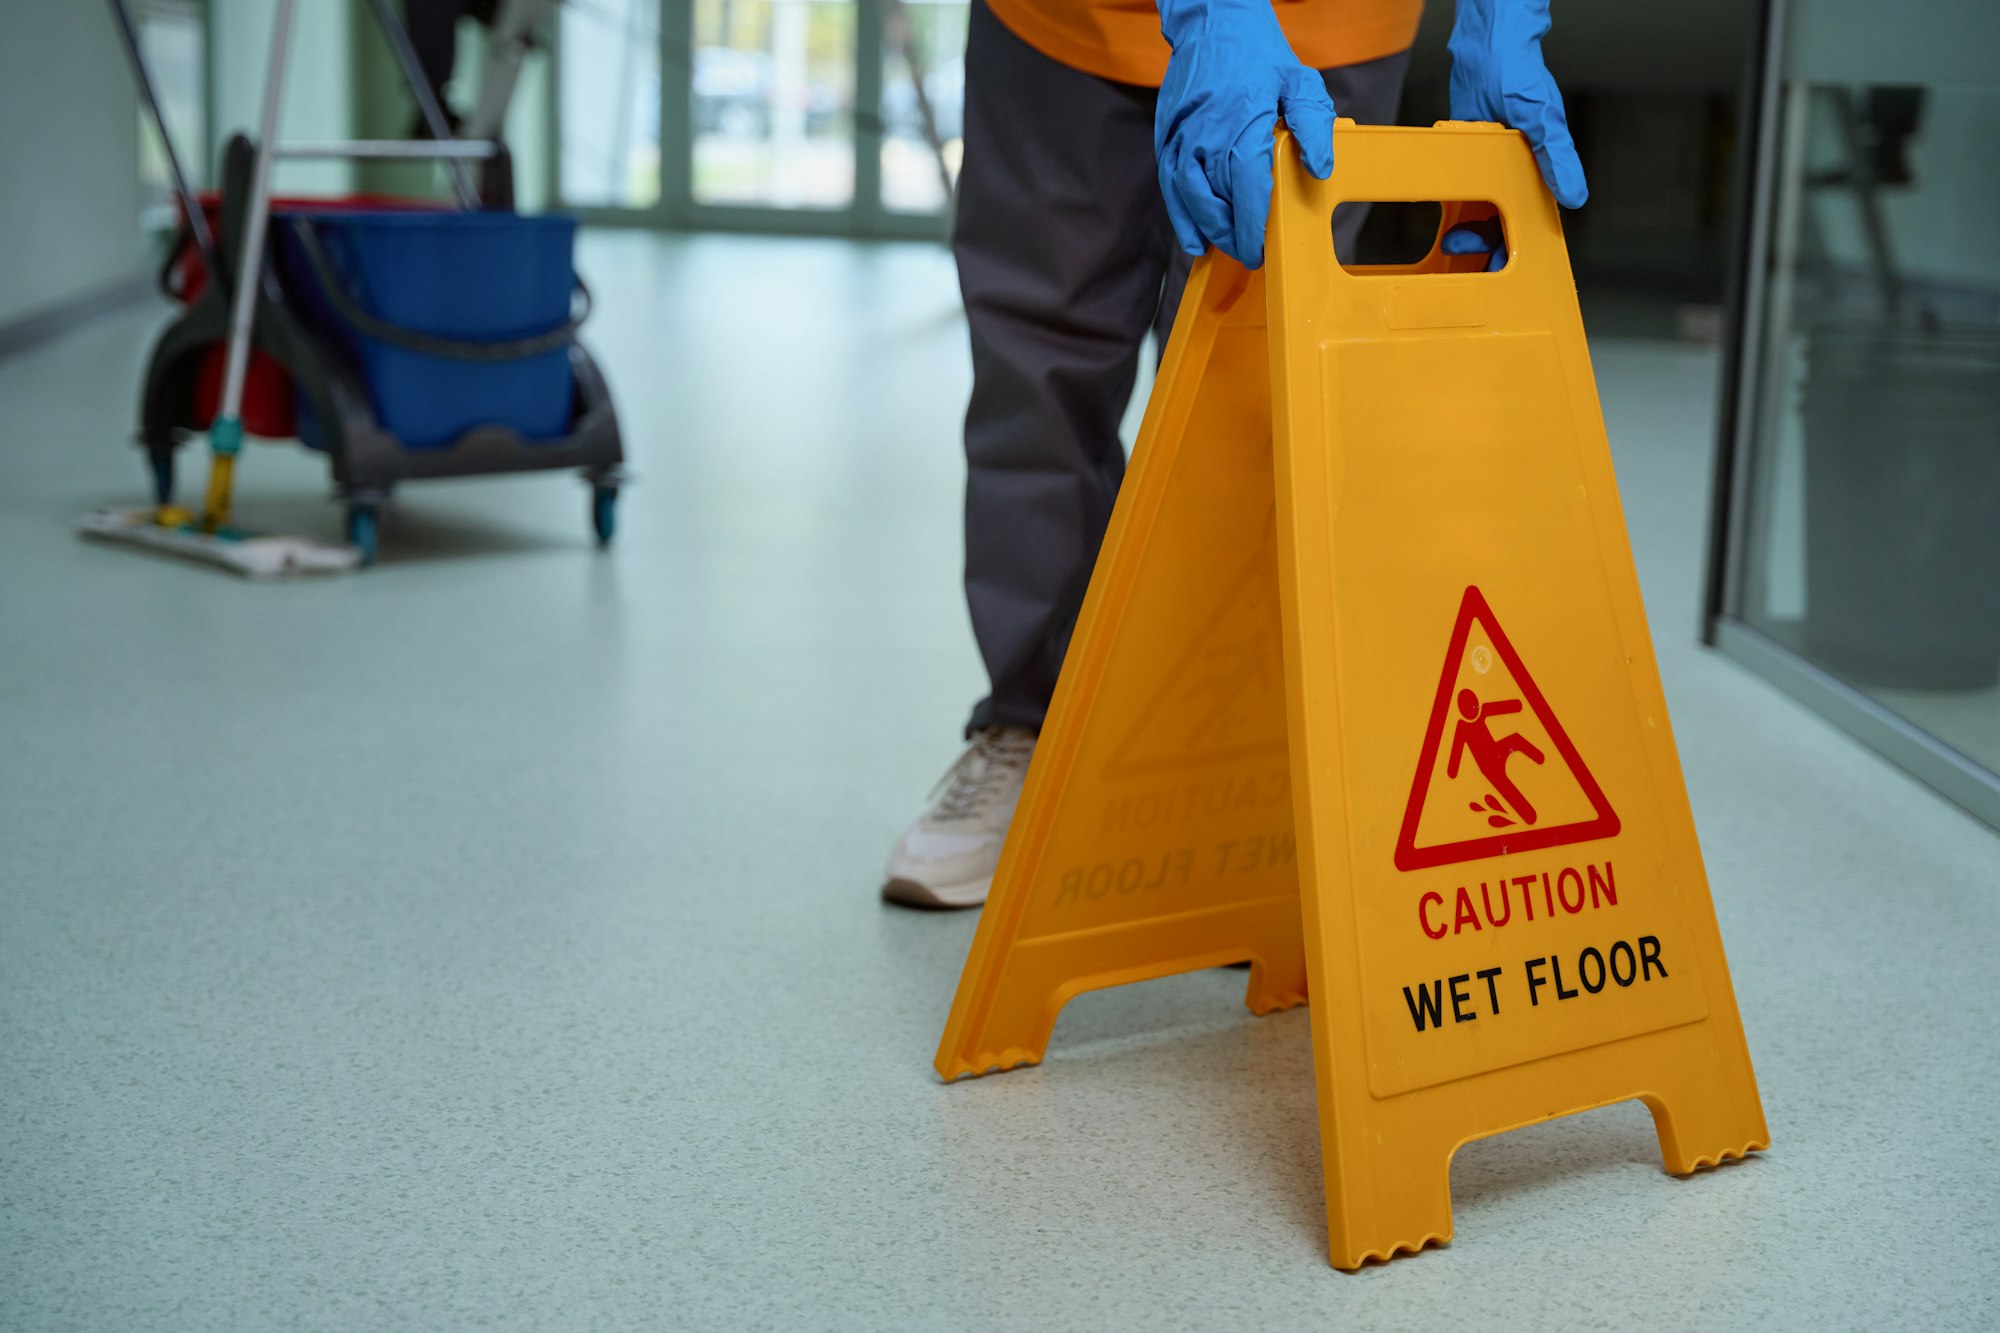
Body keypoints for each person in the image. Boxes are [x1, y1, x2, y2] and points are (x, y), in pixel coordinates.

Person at [882, 0, 1588, 908]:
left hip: (1323, 27)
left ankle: (1220, 777)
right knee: (1038, 369)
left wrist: (1504, 16)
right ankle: (1029, 726)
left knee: (1254, 384)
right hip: (1061, 27)